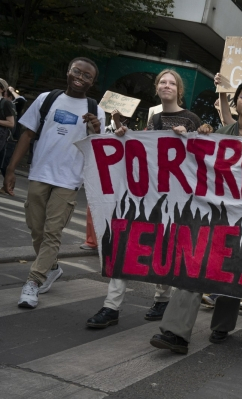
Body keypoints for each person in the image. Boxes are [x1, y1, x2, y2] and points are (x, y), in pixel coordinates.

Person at [149, 81, 242, 354]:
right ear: (236, 102)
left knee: (231, 269)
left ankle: (222, 325)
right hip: (212, 211)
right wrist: (202, 135)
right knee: (195, 264)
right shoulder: (218, 132)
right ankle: (175, 333)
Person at [86, 69, 209, 328]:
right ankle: (111, 306)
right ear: (157, 88)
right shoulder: (153, 118)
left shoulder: (191, 119)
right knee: (123, 244)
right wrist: (124, 136)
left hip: (175, 199)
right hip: (144, 194)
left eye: (171, 83)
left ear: (179, 90)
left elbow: (204, 155)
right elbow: (144, 151)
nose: (166, 86)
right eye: (162, 82)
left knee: (164, 248)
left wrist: (190, 139)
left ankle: (162, 298)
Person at [3, 57, 105, 308]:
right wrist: (10, 169)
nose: (81, 77)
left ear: (93, 82)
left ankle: (33, 282)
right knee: (36, 228)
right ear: (68, 71)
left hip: (69, 180)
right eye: (77, 71)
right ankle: (53, 267)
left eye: (87, 76)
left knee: (52, 232)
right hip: (39, 174)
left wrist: (95, 129)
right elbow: (27, 135)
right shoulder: (47, 99)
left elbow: (98, 149)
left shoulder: (95, 109)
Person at [80, 110, 129, 251]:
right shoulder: (102, 125)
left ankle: (112, 242)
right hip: (100, 171)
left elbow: (122, 137)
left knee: (115, 209)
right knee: (94, 205)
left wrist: (117, 120)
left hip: (117, 175)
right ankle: (92, 240)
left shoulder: (128, 130)